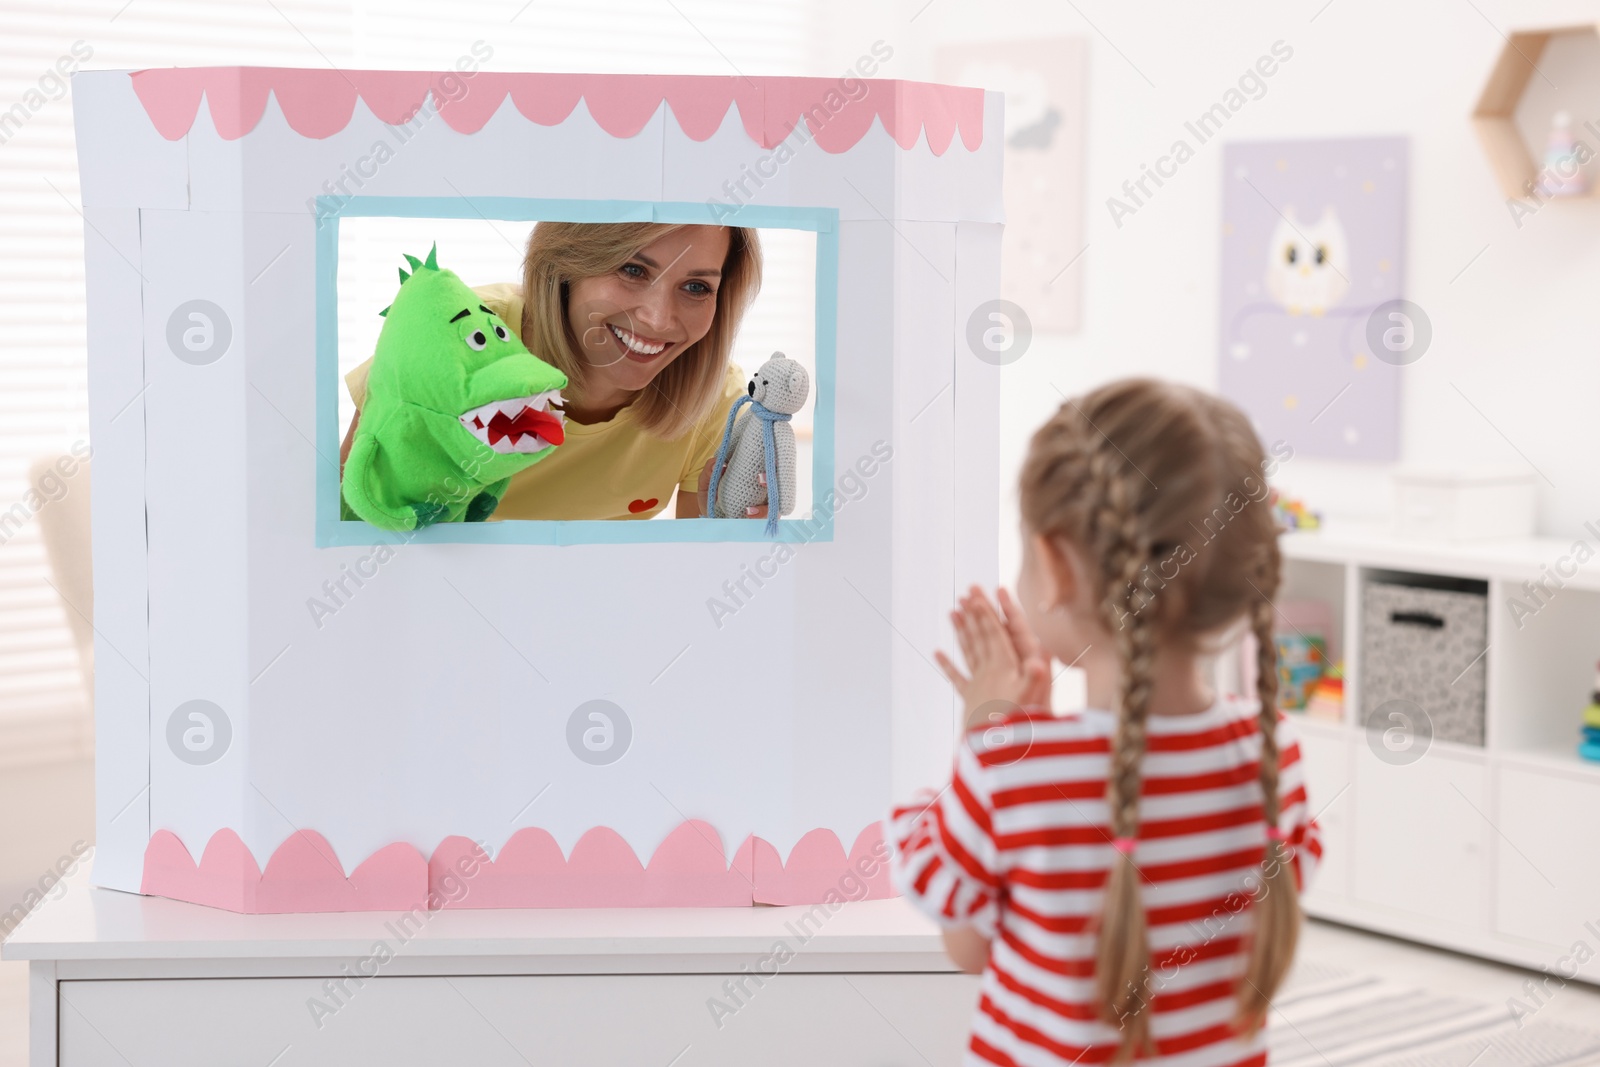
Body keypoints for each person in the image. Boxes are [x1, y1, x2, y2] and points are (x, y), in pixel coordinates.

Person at [888, 378, 1322, 1065]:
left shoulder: (1008, 772)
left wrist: (995, 732)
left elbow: (967, 948)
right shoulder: (1274, 758)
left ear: (1055, 565)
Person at [340, 222, 768, 520]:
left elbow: (696, 586)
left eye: (696, 287)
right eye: (632, 270)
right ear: (566, 267)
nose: (658, 319)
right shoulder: (460, 336)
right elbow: (343, 514)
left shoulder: (716, 401)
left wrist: (736, 536)